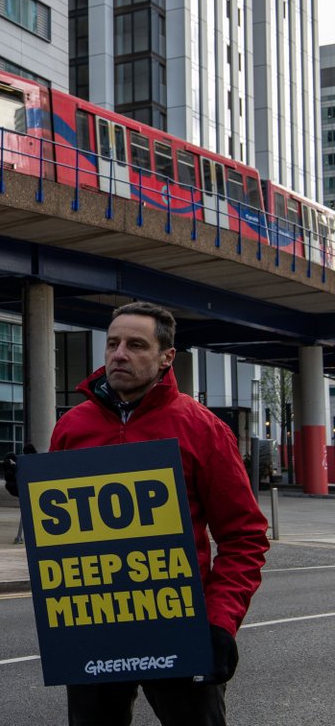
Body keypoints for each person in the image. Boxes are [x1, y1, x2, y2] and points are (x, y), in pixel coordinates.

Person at [49, 301, 269, 726]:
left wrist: (220, 623)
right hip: (95, 628)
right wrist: (32, 489)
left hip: (181, 626)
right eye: (112, 343)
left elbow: (245, 536)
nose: (119, 354)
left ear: (167, 357)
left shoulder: (202, 427)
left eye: (135, 345)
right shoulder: (72, 426)